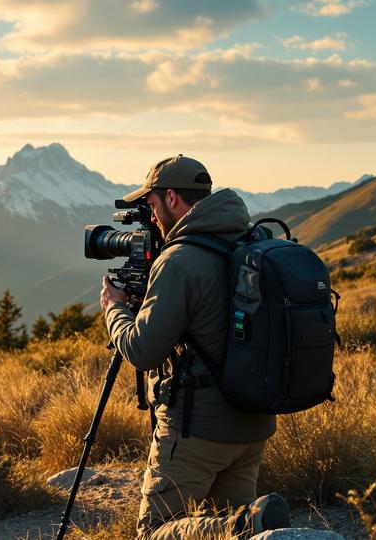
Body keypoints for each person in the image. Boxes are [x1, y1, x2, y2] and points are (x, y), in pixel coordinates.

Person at [99, 155, 291, 539]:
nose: (152, 217)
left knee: (156, 531)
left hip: (198, 430)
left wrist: (115, 309)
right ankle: (247, 524)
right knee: (218, 524)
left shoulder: (180, 260)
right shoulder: (249, 242)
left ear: (171, 198)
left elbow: (142, 351)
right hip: (252, 423)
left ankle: (247, 524)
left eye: (152, 204)